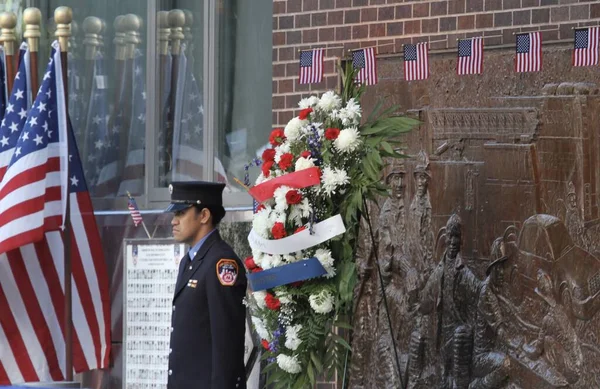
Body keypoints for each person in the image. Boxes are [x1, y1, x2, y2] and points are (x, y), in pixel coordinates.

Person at [165, 181, 247, 389]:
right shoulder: (190, 261)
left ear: (204, 216)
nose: (174, 221)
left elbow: (227, 341)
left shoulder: (221, 263)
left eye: (181, 213)